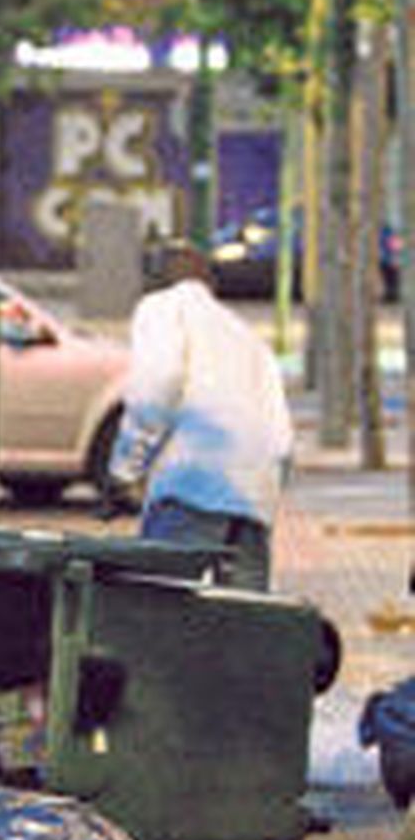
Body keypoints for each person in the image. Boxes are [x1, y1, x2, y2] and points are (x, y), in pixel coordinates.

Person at [106, 242, 292, 591]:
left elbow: (155, 390)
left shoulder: (162, 308)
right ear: (210, 283)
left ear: (154, 280)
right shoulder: (246, 335)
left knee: (160, 610)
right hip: (255, 497)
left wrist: (123, 472)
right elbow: (281, 432)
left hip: (193, 484)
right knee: (244, 623)